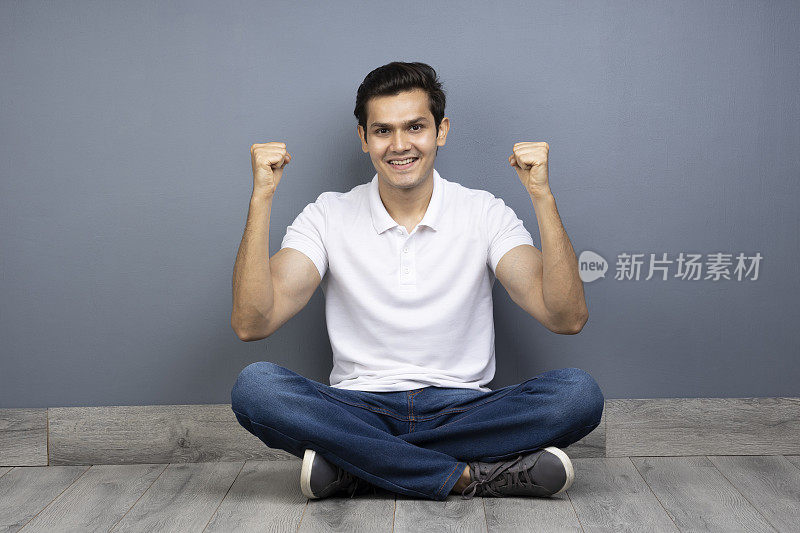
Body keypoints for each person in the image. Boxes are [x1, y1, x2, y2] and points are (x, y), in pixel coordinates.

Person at [230, 61, 604, 501]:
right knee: (256, 387)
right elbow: (252, 323)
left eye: (415, 127)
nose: (400, 145)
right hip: (358, 408)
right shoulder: (327, 214)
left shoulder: (483, 211)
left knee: (578, 395)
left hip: (464, 408)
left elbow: (566, 317)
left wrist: (542, 196)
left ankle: (360, 468)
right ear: (364, 139)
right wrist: (262, 197)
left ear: (441, 131)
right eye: (383, 130)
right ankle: (471, 477)